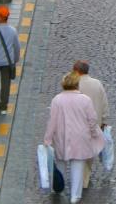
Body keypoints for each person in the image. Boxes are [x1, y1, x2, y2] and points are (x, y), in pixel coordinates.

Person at [44, 71, 105, 204]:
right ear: (77, 85)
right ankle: (75, 196)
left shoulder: (57, 100)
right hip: (81, 138)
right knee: (78, 165)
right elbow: (92, 120)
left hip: (62, 136)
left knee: (60, 163)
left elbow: (52, 122)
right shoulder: (85, 100)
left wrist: (47, 139)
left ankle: (58, 187)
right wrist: (95, 134)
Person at [72, 61, 110, 190]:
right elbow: (104, 103)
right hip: (94, 125)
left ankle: (78, 178)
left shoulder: (74, 85)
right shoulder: (97, 84)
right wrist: (104, 120)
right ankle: (84, 179)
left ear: (77, 71)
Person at [0, 6, 20, 115]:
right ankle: (3, 108)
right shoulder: (13, 31)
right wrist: (15, 59)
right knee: (6, 84)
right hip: (7, 62)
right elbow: (17, 46)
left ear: (1, 17)